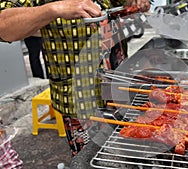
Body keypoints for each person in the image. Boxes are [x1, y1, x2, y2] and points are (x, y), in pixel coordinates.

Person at [0, 0, 150, 157]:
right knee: (93, 159)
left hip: (121, 88)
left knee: (133, 150)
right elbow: (3, 26)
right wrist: (54, 9)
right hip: (80, 100)